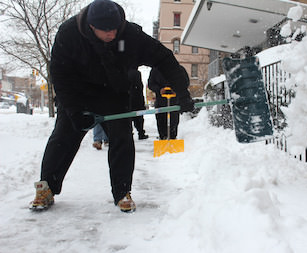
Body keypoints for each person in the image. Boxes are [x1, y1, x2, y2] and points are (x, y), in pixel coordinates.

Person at [29, 0, 194, 212]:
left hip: (113, 93)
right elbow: (60, 76)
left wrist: (182, 91)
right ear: (91, 26)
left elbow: (164, 59)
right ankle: (46, 188)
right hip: (77, 94)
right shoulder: (69, 34)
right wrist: (73, 110)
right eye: (106, 30)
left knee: (122, 138)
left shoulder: (130, 35)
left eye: (115, 28)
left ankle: (122, 192)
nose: (112, 34)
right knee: (63, 137)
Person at [148, 66, 189, 140]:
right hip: (161, 100)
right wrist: (159, 89)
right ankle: (162, 136)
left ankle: (173, 137)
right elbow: (151, 84)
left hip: (174, 100)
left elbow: (185, 82)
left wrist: (176, 88)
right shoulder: (155, 70)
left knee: (173, 120)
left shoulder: (179, 69)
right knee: (161, 120)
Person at [129, 68, 149, 140]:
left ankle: (129, 133)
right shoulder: (137, 73)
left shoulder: (123, 71)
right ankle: (141, 132)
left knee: (128, 117)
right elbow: (140, 86)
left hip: (127, 98)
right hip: (137, 98)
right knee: (139, 117)